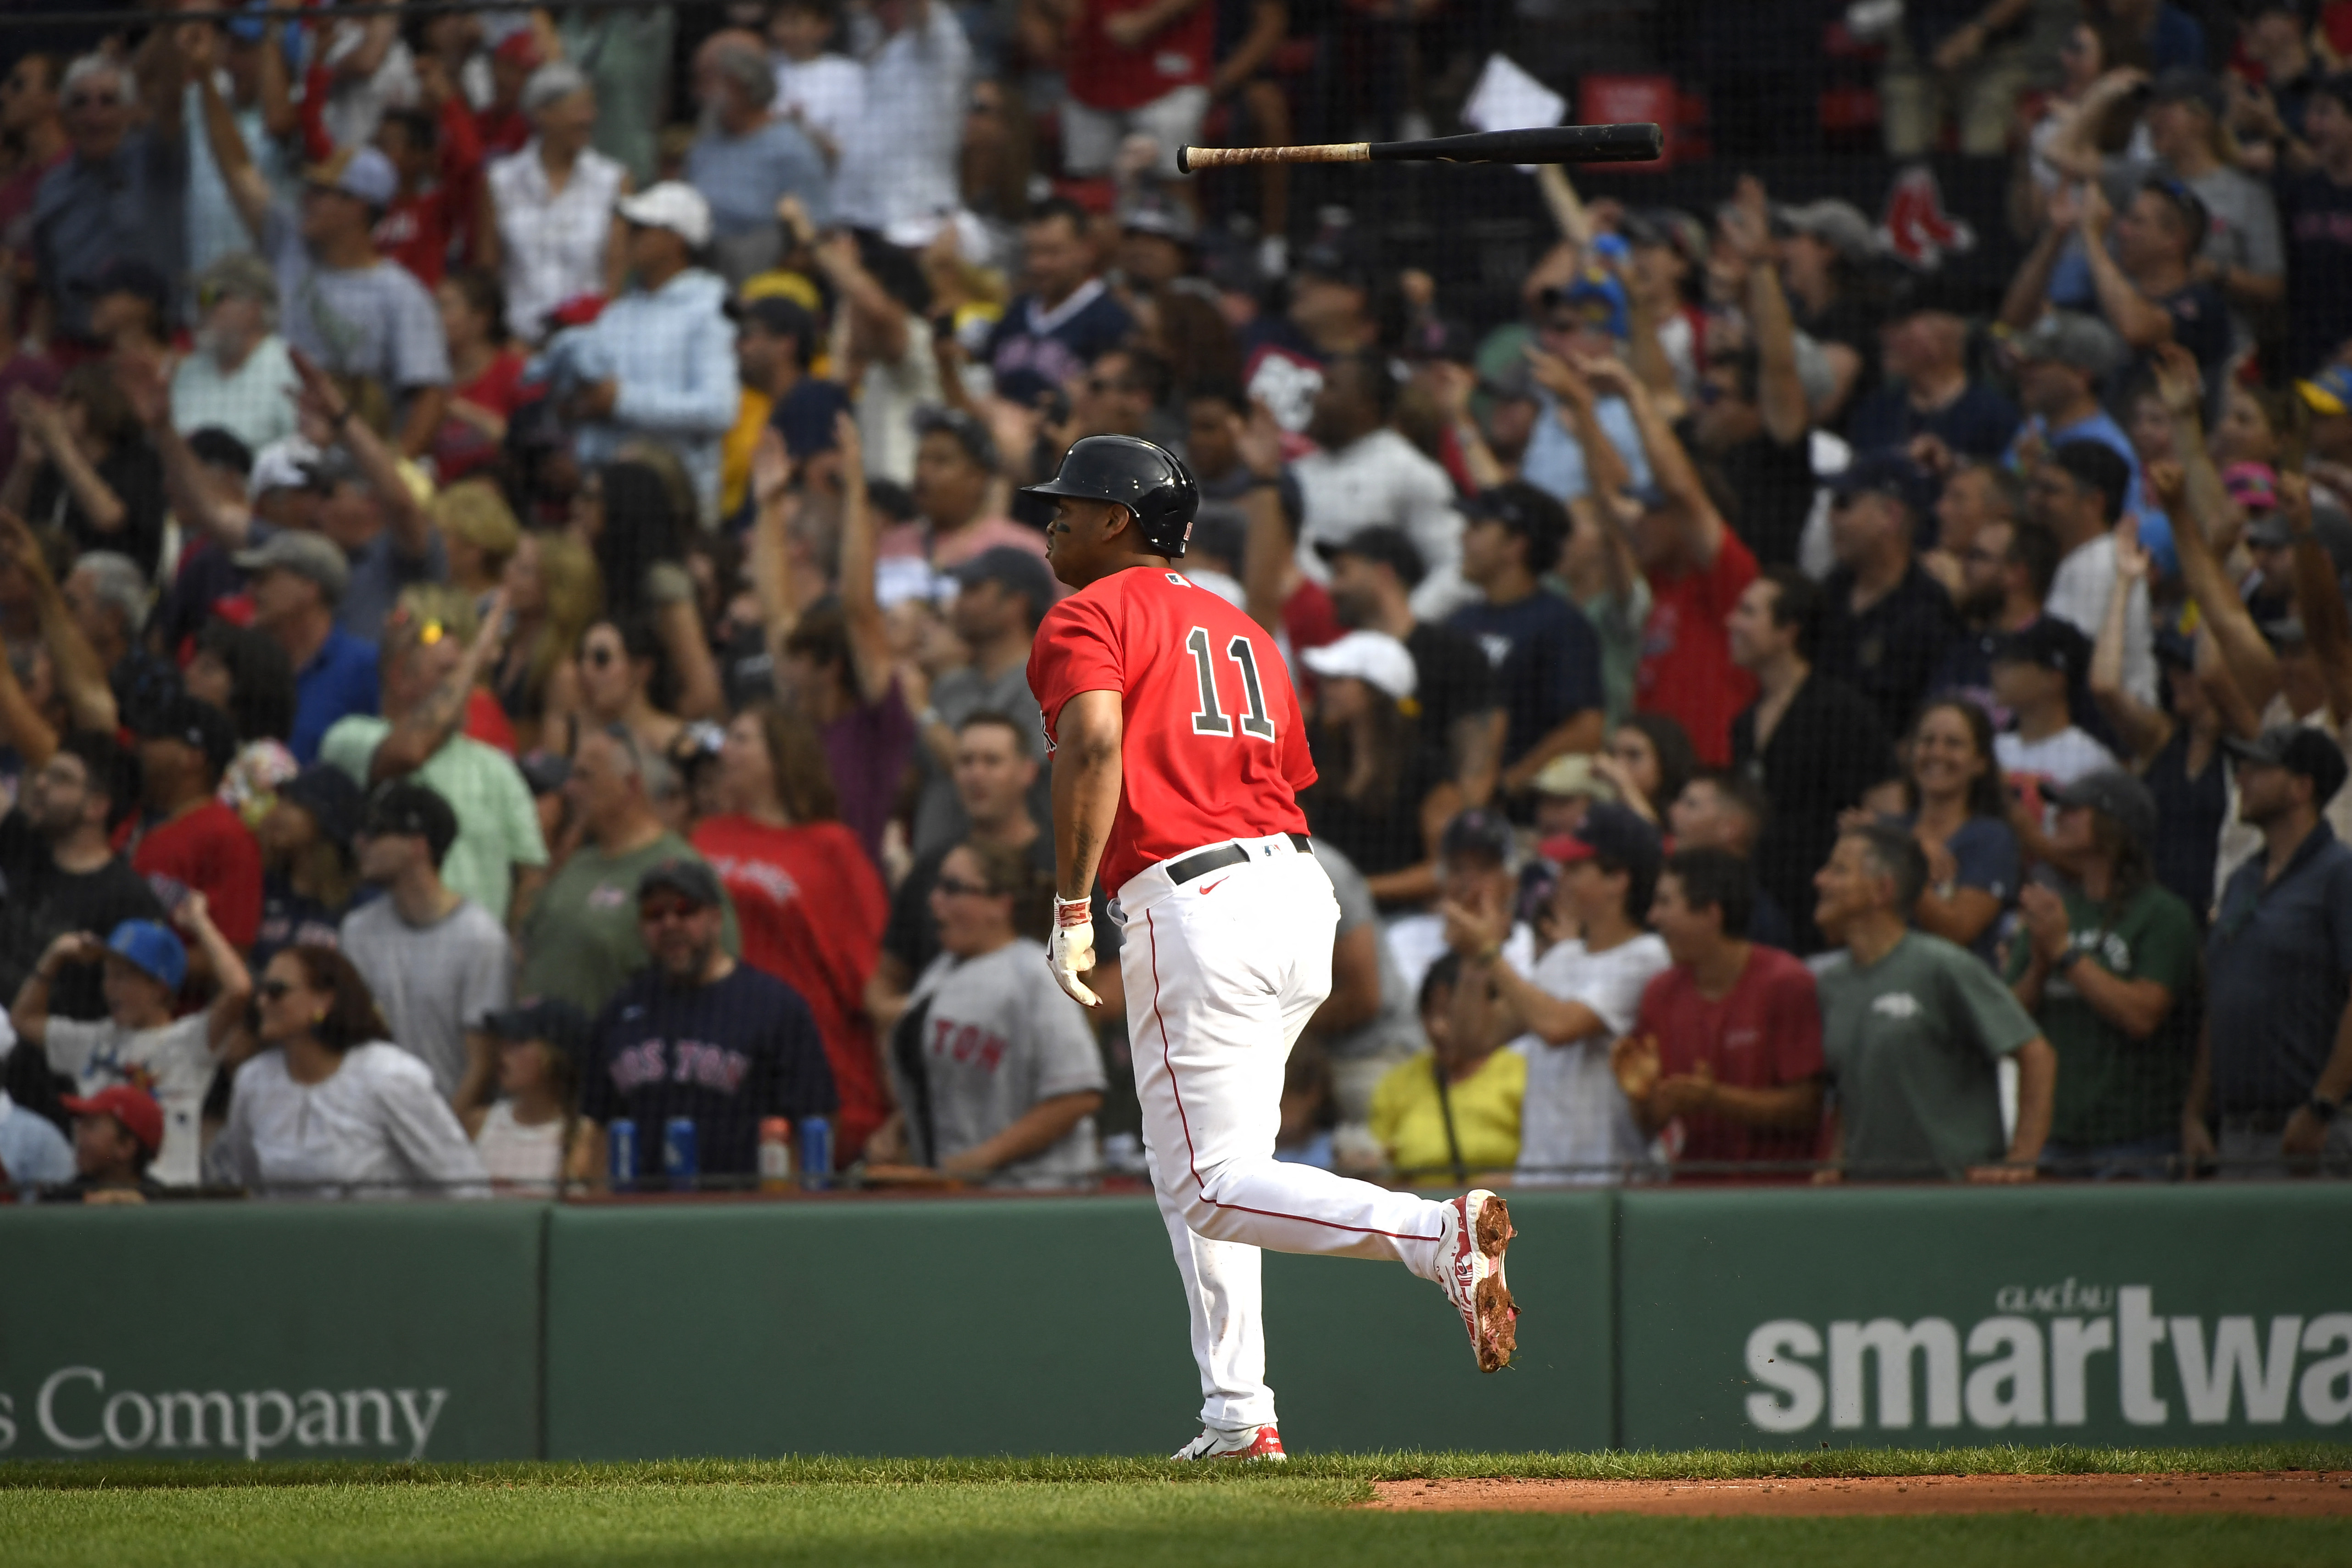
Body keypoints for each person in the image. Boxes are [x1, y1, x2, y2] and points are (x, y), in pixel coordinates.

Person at [1025, 432, 1521, 1466]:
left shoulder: (1089, 608)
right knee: (1213, 1175)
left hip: (1195, 898)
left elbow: (1099, 743)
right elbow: (1287, 779)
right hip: (1299, 891)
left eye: (1068, 504)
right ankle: (1237, 1414)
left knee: (1208, 1184)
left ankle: (1433, 1236)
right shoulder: (1242, 624)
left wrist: (1072, 905)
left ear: (1119, 519)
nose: (1050, 518)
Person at [198, 57, 451, 459]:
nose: (306, 199)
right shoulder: (288, 243)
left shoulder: (401, 295)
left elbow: (430, 396)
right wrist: (203, 77)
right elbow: (237, 167)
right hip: (277, 446)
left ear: (358, 207)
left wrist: (391, 474)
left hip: (350, 467)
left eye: (321, 192)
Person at [693, 704, 889, 1162]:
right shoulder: (706, 835)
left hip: (810, 1059)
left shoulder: (830, 847)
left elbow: (871, 973)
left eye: (742, 739)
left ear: (781, 754)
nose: (726, 751)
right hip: (717, 1055)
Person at [1811, 822, 2056, 1180]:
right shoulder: (1832, 984)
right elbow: (1853, 1087)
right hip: (1867, 1200)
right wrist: (1836, 1162)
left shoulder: (1943, 966)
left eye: (1838, 870)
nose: (1820, 880)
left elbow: (2037, 1054)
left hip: (1951, 1196)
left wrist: (2020, 1160)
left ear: (1883, 890)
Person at [573, 857, 837, 1185]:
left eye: (685, 909)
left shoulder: (775, 1007)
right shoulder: (619, 1011)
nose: (670, 924)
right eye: (654, 914)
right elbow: (596, 1130)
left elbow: (812, 1127)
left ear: (715, 919)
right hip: (641, 1216)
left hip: (742, 1214)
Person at [1446, 804, 1673, 1186]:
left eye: (1576, 868)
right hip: (1540, 1177)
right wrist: (1474, 961)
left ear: (1618, 879)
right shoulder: (1564, 957)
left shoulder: (1647, 955)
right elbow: (1474, 1039)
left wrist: (1489, 951)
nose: (1560, 879)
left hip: (1610, 1179)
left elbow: (1558, 1026)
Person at [872, 838, 1106, 1185]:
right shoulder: (939, 972)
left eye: (953, 888)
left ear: (1001, 904)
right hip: (962, 1196)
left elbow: (1078, 1094)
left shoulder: (1036, 974)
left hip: (1038, 1197)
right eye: (938, 887)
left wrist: (980, 1160)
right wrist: (899, 1128)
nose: (935, 900)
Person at [2006, 768, 2199, 1177]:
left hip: (2136, 1139)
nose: (2058, 815)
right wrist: (2040, 966)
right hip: (2054, 1136)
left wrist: (2064, 952)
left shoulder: (2163, 915)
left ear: (2116, 825)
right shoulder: (2056, 910)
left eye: (2074, 808)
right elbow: (2007, 1022)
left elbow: (2142, 1016)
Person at [321, 591, 549, 925]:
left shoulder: (495, 767)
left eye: (466, 674)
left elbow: (532, 873)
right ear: (401, 675)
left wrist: (509, 950)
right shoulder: (350, 737)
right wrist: (478, 652)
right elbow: (411, 750)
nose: (465, 686)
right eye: (449, 673)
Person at [2190, 725, 2352, 1175]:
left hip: (2310, 1130)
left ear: (2302, 788)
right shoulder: (2241, 878)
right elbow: (2221, 999)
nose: (2241, 777)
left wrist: (2321, 1106)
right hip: (2236, 1132)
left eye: (2259, 768)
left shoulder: (2339, 874)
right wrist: (2194, 1112)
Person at [209, 944, 490, 1197]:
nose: (262, 1002)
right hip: (290, 1248)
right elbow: (251, 1179)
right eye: (261, 991)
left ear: (324, 1001)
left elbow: (465, 1184)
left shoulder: (390, 1076)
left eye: (276, 991)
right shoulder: (254, 1080)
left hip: (380, 1248)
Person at [1612, 847, 1825, 1179]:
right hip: (1691, 1198)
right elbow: (1652, 1121)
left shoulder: (1787, 983)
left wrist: (1715, 1099)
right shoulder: (1660, 992)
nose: (1653, 917)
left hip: (1776, 1199)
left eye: (1666, 903)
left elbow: (1808, 1107)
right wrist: (1641, 1096)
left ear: (1711, 914)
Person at [8, 898, 251, 1187]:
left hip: (169, 1202)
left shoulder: (189, 1040)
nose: (111, 988)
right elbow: (22, 1019)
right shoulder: (93, 1039)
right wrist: (55, 955)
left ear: (160, 988)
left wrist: (201, 923)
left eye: (124, 977)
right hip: (97, 1197)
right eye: (108, 975)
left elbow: (239, 989)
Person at [517, 725, 738, 1015]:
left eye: (585, 776)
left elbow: (716, 981)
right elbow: (524, 944)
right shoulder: (577, 862)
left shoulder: (681, 873)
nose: (569, 788)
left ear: (630, 784)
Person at [1728, 568, 1893, 954]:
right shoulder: (1744, 722)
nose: (1732, 621)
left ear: (1788, 631)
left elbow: (1886, 808)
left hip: (1822, 909)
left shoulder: (1841, 710)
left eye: (1748, 612)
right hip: (1764, 904)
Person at [563, 183, 740, 523]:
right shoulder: (619, 313)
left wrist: (623, 401)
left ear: (677, 240)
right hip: (613, 498)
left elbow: (719, 409)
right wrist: (579, 408)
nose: (629, 236)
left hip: (680, 502)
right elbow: (596, 401)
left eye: (642, 228)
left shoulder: (710, 305)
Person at [341, 781, 511, 1110]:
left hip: (448, 1124)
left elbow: (482, 1064)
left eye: (377, 832)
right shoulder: (357, 930)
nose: (362, 843)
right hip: (372, 1126)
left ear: (418, 846)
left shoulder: (481, 939)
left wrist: (442, 1142)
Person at [1314, 526, 1499, 809]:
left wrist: (1456, 828)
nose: (1333, 588)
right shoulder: (1336, 659)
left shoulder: (1453, 654)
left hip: (1423, 821)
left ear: (1383, 573)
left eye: (1343, 572)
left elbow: (1478, 762)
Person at [1446, 481, 1605, 794]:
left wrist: (1511, 782)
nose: (1463, 537)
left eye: (1477, 527)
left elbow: (1586, 728)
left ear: (1515, 545)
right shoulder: (1459, 621)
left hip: (1523, 814)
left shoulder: (1561, 624)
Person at [0, 733, 167, 1027]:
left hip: (58, 1058)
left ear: (97, 807)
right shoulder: (27, 847)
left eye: (61, 779)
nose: (40, 784)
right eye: (44, 774)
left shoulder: (129, 899)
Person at [1291, 351, 1468, 621]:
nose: (1316, 397)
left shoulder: (1410, 470)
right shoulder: (1300, 470)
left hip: (1366, 632)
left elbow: (1456, 566)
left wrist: (1406, 622)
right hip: (1300, 626)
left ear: (1366, 405)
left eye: (1331, 387)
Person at [910, 546, 1055, 857]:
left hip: (1013, 872)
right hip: (937, 867)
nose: (957, 603)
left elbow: (993, 780)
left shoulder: (1047, 684)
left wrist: (921, 711)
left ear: (1017, 603)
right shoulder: (951, 681)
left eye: (973, 590)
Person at [1297, 631, 1454, 900]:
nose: (1325, 690)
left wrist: (1355, 890)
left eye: (1337, 680)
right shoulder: (1321, 760)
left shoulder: (1428, 770)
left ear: (1375, 692)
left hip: (1401, 920)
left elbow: (1442, 870)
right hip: (1324, 912)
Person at [1815, 454, 1962, 739]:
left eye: (1844, 504)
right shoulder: (1827, 593)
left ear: (1891, 516)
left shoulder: (1929, 613)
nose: (1832, 518)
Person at [480, 63, 626, 345]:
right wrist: (503, 340)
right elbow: (489, 271)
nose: (590, 117)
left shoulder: (612, 180)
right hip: (519, 340)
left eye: (591, 107)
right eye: (580, 108)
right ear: (543, 113)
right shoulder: (500, 181)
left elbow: (615, 275)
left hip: (589, 342)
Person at [1367, 951, 1524, 1183]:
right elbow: (1382, 1171)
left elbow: (1548, 1169)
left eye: (1450, 1013)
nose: (1437, 1027)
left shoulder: (1522, 1076)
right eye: (1429, 1013)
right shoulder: (1397, 1084)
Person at [686, 31, 830, 281]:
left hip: (763, 282)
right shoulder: (705, 146)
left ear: (737, 84)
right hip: (701, 274)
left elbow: (819, 237)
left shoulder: (790, 148)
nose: (698, 93)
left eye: (706, 80)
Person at [4, 362, 169, 577]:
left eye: (71, 400)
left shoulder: (137, 460)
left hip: (112, 583)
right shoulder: (53, 467)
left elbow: (109, 518)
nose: (58, 407)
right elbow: (6, 522)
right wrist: (26, 464)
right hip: (47, 580)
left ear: (100, 402)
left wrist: (59, 443)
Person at [234, 530, 380, 764]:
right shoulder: (249, 664)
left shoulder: (364, 668)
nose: (250, 590)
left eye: (264, 579)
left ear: (309, 589)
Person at [131, 694, 263, 952]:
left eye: (153, 739)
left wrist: (143, 967)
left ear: (193, 758)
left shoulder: (227, 836)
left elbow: (233, 950)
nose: (139, 747)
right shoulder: (131, 816)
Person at [1896, 698, 2020, 963]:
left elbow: (1958, 931)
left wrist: (1905, 859)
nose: (1937, 753)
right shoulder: (1888, 828)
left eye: (1953, 744)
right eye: (1927, 741)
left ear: (1980, 763)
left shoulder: (1992, 839)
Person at [983, 198, 1135, 401]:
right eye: (1031, 252)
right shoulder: (1016, 312)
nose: (1038, 264)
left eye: (1052, 252)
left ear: (1086, 251)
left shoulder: (1111, 321)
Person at [169, 253, 301, 453]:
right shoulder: (189, 371)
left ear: (252, 307)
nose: (200, 308)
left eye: (210, 296)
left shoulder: (289, 368)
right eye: (198, 297)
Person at [467, 998, 588, 1193]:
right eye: (504, 1040)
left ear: (554, 1056)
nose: (503, 1050)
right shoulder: (479, 1124)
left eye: (519, 1041)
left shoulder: (586, 1138)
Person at [1666, 771, 1798, 949]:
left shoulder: (1758, 921)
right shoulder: (1674, 892)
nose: (1673, 812)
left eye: (1691, 805)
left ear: (1730, 829)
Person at [253, 762, 364, 970]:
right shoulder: (261, 887)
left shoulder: (359, 905)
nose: (278, 812)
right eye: (281, 801)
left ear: (326, 820)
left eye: (294, 803)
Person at [1992, 617, 2117, 793]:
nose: (1997, 670)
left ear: (2054, 678)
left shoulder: (2090, 760)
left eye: (2015, 662)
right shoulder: (1993, 750)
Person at [57, 1083, 165, 1198]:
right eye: (81, 1124)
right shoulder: (62, 1201)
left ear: (125, 1147)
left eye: (90, 1126)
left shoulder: (165, 1205)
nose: (79, 1133)